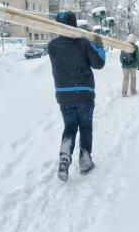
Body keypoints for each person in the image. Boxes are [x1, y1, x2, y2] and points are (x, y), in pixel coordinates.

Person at [48, 11, 106, 182]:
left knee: (70, 127)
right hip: (84, 93)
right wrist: (99, 46)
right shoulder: (83, 43)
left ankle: (65, 157)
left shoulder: (52, 46)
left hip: (64, 95)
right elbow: (99, 64)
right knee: (85, 127)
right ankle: (85, 160)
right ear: (75, 25)